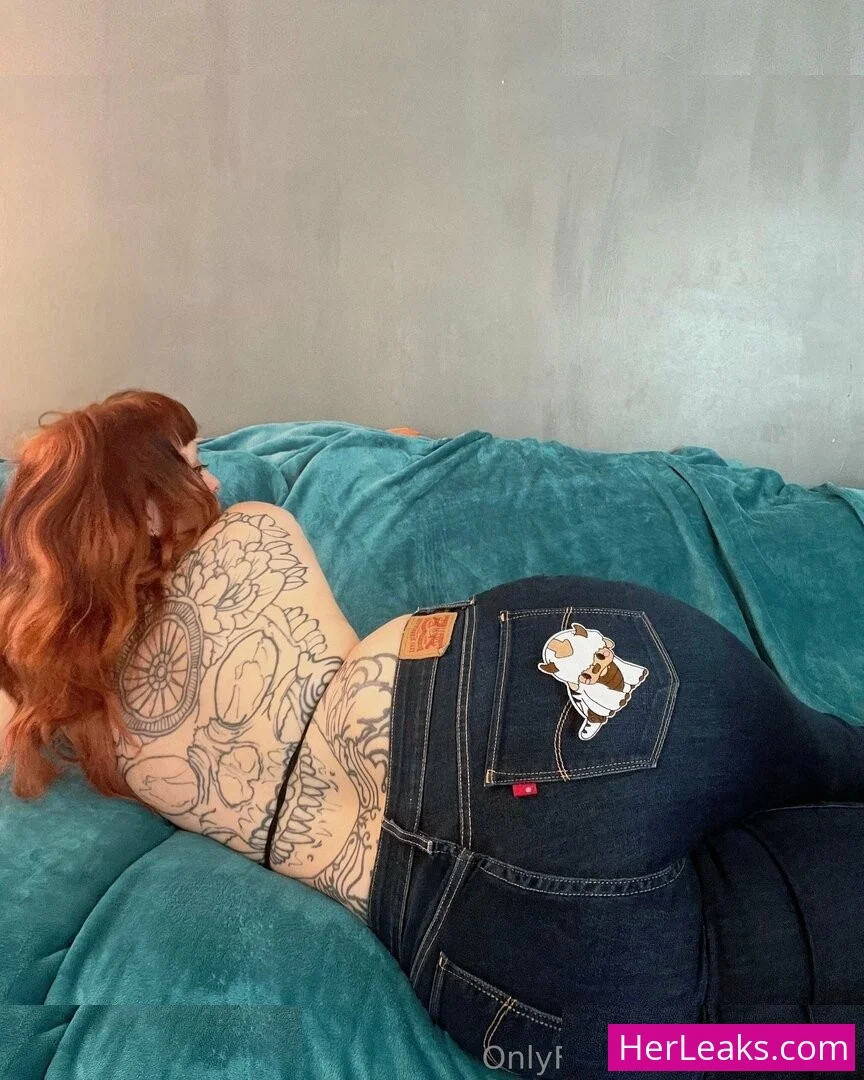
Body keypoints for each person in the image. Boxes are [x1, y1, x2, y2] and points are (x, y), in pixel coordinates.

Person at [0, 390, 862, 1079]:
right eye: (192, 464)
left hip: (484, 960)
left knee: (792, 1033)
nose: (216, 479)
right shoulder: (250, 531)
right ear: (149, 509)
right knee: (826, 756)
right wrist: (394, 439)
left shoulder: (97, 733)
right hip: (516, 721)